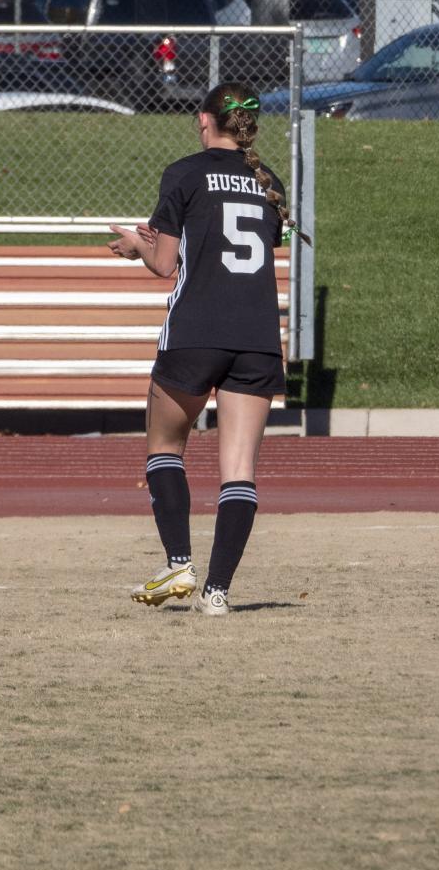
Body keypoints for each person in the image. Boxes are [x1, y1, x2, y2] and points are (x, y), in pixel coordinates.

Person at [108, 82, 299, 617]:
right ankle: (218, 592)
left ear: (203, 120)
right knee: (238, 469)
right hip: (258, 339)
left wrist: (133, 246)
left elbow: (165, 264)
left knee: (165, 449)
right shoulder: (269, 181)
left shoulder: (185, 172)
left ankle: (178, 565)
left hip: (195, 331)